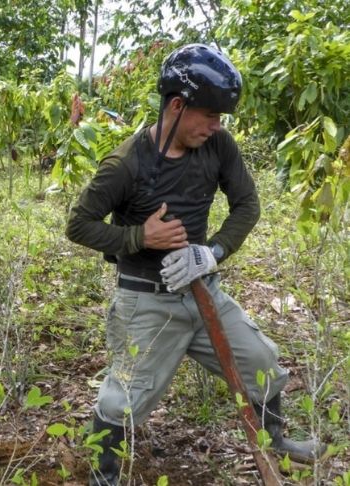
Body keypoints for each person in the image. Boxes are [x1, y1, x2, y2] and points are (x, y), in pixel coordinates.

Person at [66, 44, 324, 485]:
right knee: (122, 401)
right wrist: (138, 237)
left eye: (221, 117)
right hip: (145, 303)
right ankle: (102, 475)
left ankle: (276, 442)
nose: (216, 126)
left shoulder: (218, 145)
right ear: (177, 105)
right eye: (210, 115)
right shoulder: (126, 163)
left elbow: (247, 205)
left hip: (204, 290)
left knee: (262, 361)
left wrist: (213, 252)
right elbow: (78, 224)